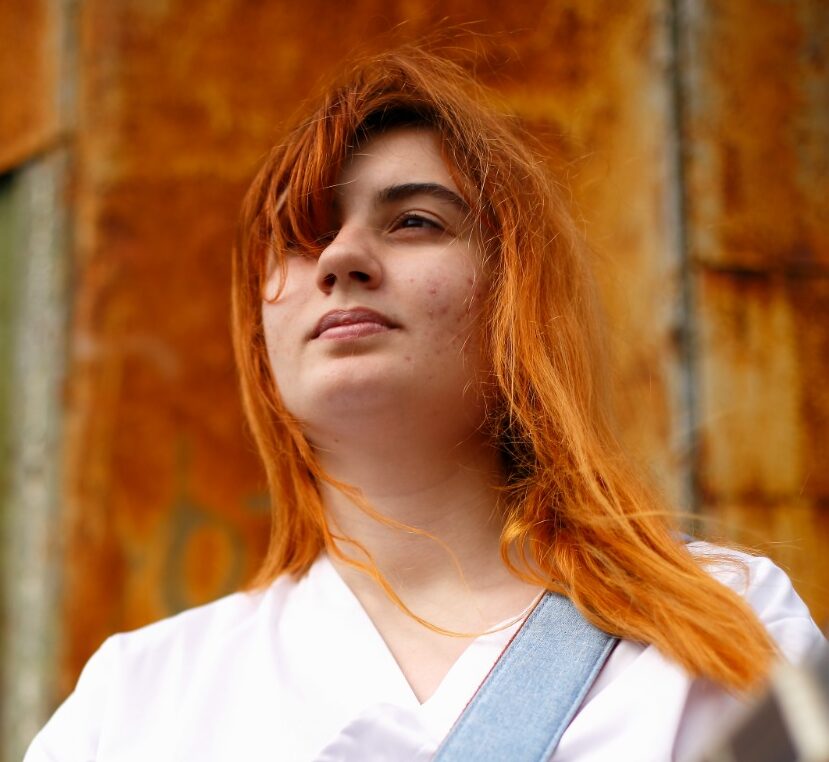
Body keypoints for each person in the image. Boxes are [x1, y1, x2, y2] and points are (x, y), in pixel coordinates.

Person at [25, 47, 824, 761]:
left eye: (413, 221)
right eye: (298, 236)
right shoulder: (129, 705)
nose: (340, 258)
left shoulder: (734, 626)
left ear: (515, 297)